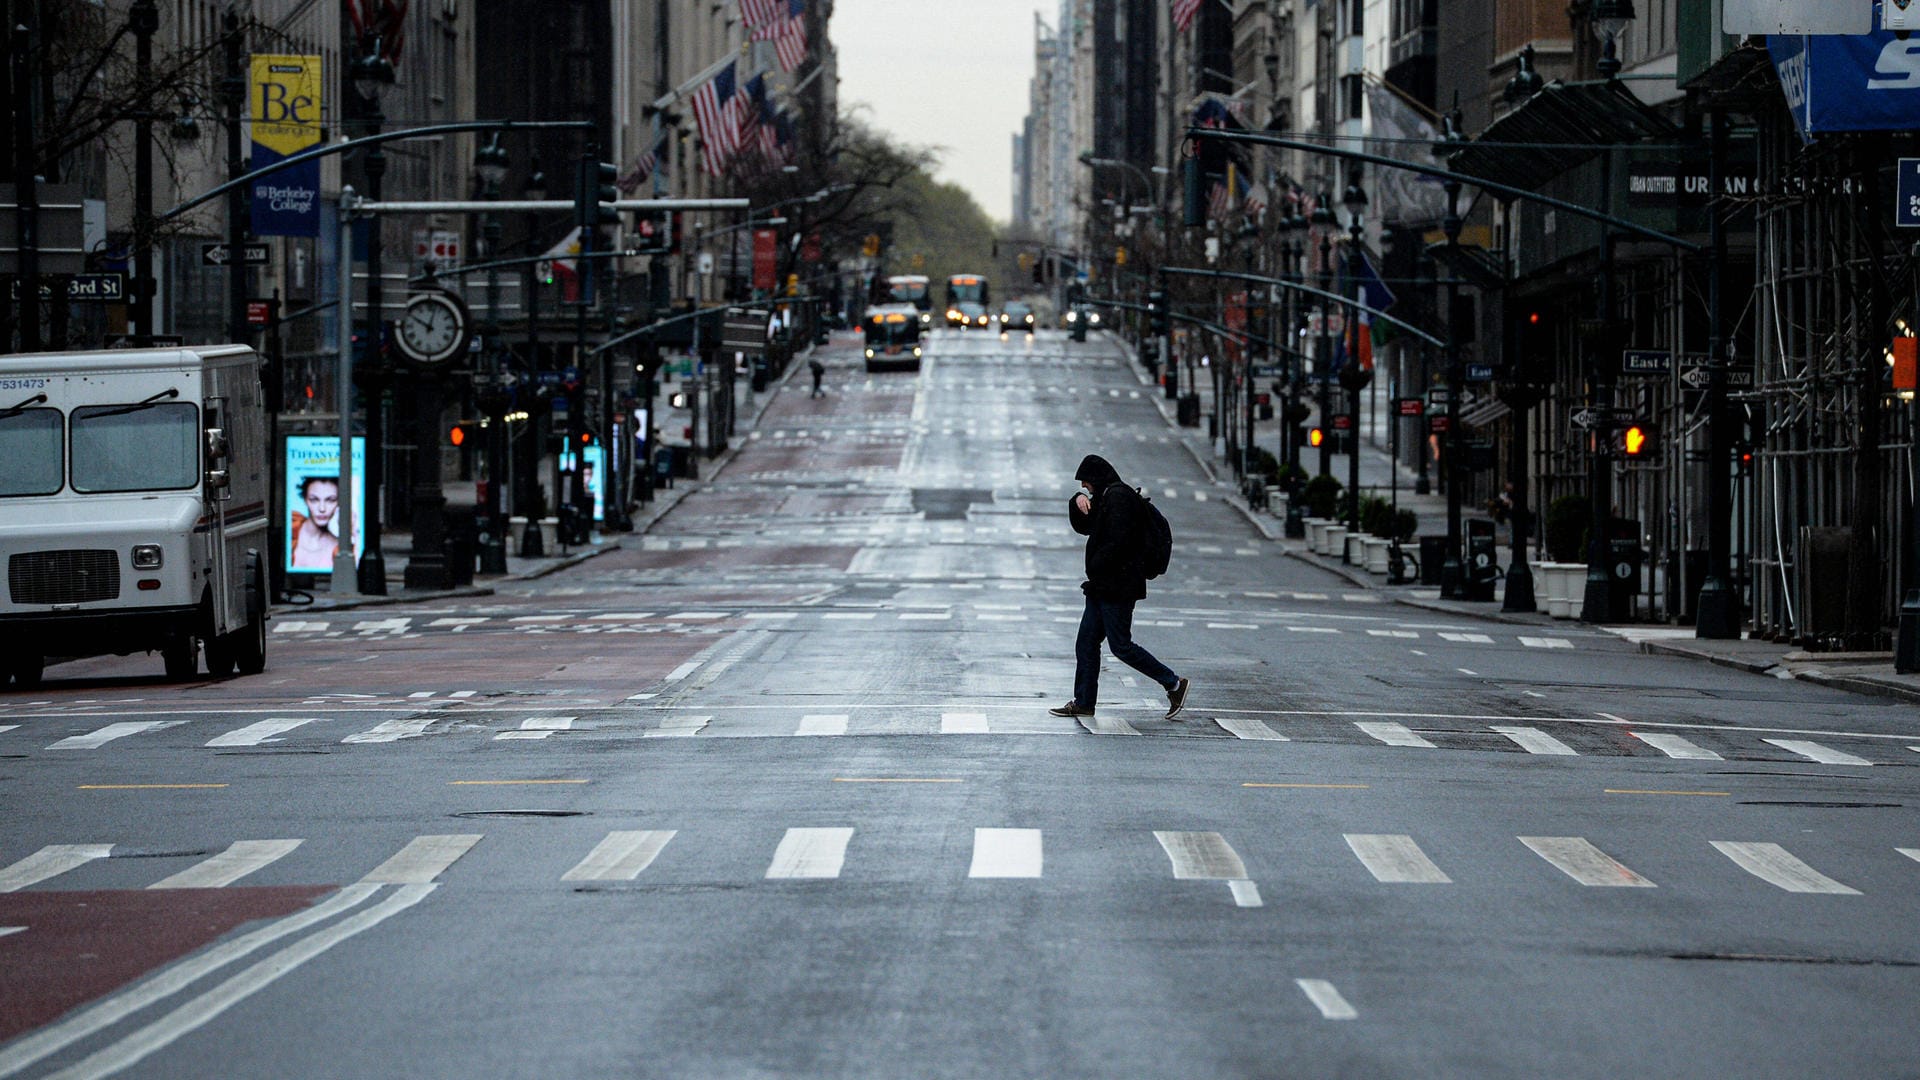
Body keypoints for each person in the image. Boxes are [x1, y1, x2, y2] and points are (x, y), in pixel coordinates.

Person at [1050, 454, 1190, 720]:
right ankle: (1083, 702)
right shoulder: (1107, 496)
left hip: (1118, 586)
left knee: (1121, 646)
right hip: (1103, 586)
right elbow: (1087, 526)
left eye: (1086, 483)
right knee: (1087, 642)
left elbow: (1119, 542)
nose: (1085, 487)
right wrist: (1076, 502)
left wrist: (1097, 566)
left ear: (1097, 478)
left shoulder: (1119, 498)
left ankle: (1173, 683)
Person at [289, 475, 340, 570]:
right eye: (314, 499)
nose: (322, 508)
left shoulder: (340, 549)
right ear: (305, 500)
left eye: (330, 500)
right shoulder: (290, 528)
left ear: (339, 502)